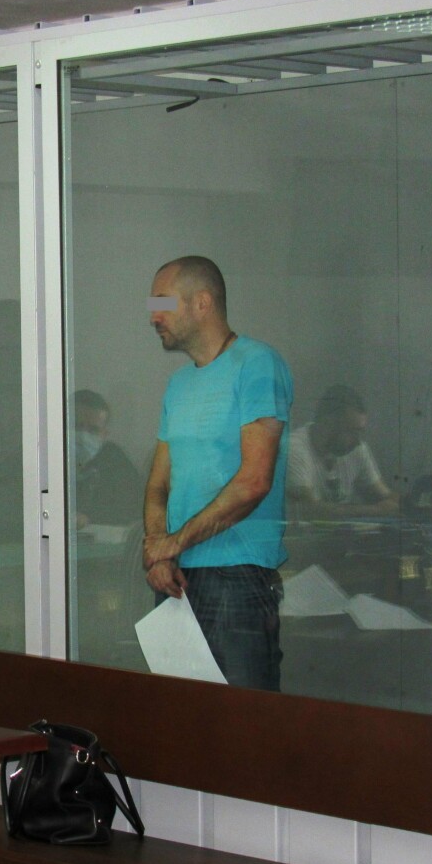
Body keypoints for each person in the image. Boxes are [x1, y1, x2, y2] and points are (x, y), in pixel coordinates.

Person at [140, 256, 293, 691]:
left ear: (202, 303)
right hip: (176, 576)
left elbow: (255, 481)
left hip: (238, 575)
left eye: (163, 303)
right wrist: (159, 552)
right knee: (180, 716)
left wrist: (172, 543)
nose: (154, 317)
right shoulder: (178, 385)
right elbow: (158, 484)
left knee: (243, 721)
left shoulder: (257, 364)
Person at [286, 385, 399, 519]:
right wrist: (374, 511)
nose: (358, 441)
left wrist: (406, 504)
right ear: (327, 424)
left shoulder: (357, 449)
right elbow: (309, 509)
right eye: (352, 431)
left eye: (359, 432)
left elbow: (383, 495)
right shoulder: (293, 449)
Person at [73, 389, 144, 528]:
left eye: (93, 430)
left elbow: (135, 507)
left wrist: (88, 517)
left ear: (104, 434)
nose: (83, 436)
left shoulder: (114, 458)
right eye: (77, 426)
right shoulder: (44, 459)